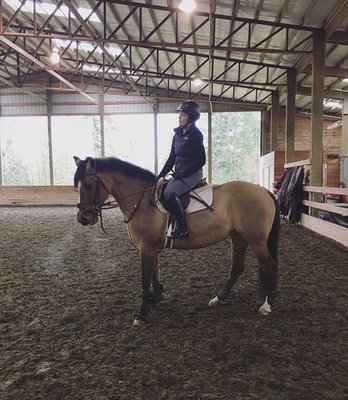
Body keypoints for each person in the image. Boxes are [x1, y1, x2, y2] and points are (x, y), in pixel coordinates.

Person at [157, 101, 206, 239]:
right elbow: (172, 158)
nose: (179, 117)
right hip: (180, 174)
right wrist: (160, 175)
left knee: (170, 192)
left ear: (190, 117)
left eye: (182, 114)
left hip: (193, 173)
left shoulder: (195, 134)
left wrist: (184, 173)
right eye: (179, 114)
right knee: (161, 190)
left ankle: (183, 229)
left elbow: (201, 160)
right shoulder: (177, 135)